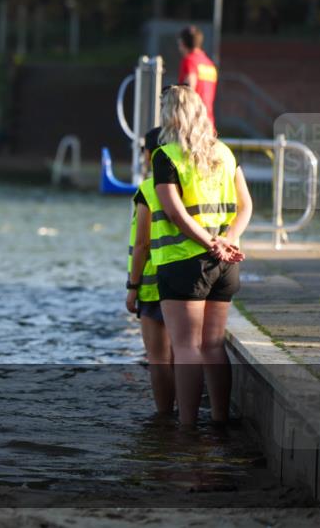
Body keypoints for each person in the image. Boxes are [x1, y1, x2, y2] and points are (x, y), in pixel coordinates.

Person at [152, 84, 252, 426]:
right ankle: (221, 421)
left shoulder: (165, 155)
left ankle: (187, 429)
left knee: (186, 348)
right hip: (225, 265)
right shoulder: (224, 152)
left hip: (184, 263)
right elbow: (246, 205)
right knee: (212, 346)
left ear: (169, 115)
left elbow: (177, 214)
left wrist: (211, 243)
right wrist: (229, 240)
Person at [126, 127, 174, 415]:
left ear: (149, 153)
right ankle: (188, 416)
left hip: (154, 283)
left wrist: (132, 287)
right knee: (182, 354)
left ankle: (165, 419)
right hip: (187, 279)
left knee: (158, 359)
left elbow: (142, 244)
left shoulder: (149, 188)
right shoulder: (188, 184)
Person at [177, 25, 218, 127]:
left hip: (193, 123)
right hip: (208, 122)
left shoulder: (189, 60)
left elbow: (189, 87)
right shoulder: (209, 64)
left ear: (182, 43)